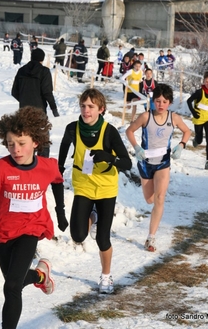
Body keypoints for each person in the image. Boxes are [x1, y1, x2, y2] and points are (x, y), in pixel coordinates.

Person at [0, 106, 68, 329]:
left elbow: (57, 181)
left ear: (35, 142)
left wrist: (60, 211)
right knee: (14, 281)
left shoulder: (48, 166)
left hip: (31, 229)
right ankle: (40, 276)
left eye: (21, 143)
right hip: (2, 232)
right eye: (11, 144)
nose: (16, 150)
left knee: (11, 287)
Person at [57, 88, 132, 294]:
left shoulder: (109, 132)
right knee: (78, 235)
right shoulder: (72, 129)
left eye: (91, 106)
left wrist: (109, 157)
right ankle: (93, 215)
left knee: (102, 239)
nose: (86, 110)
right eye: (83, 106)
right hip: (83, 185)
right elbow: (61, 157)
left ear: (101, 109)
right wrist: (57, 172)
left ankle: (106, 277)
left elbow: (127, 163)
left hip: (106, 188)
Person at [126, 84, 191, 252]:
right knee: (150, 199)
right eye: (158, 101)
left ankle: (151, 237)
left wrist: (181, 145)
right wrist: (136, 148)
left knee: (160, 198)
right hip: (145, 162)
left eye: (164, 101)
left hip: (163, 162)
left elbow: (187, 131)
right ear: (153, 101)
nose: (161, 104)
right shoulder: (146, 117)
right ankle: (155, 208)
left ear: (169, 102)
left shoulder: (173, 117)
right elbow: (129, 131)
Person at [11, 48, 59, 157]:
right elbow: (47, 93)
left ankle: (26, 165)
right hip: (39, 112)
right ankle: (43, 166)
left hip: (23, 112)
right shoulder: (44, 72)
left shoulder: (21, 70)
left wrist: (24, 100)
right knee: (43, 142)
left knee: (26, 140)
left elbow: (14, 91)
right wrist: (54, 109)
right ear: (42, 59)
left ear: (31, 57)